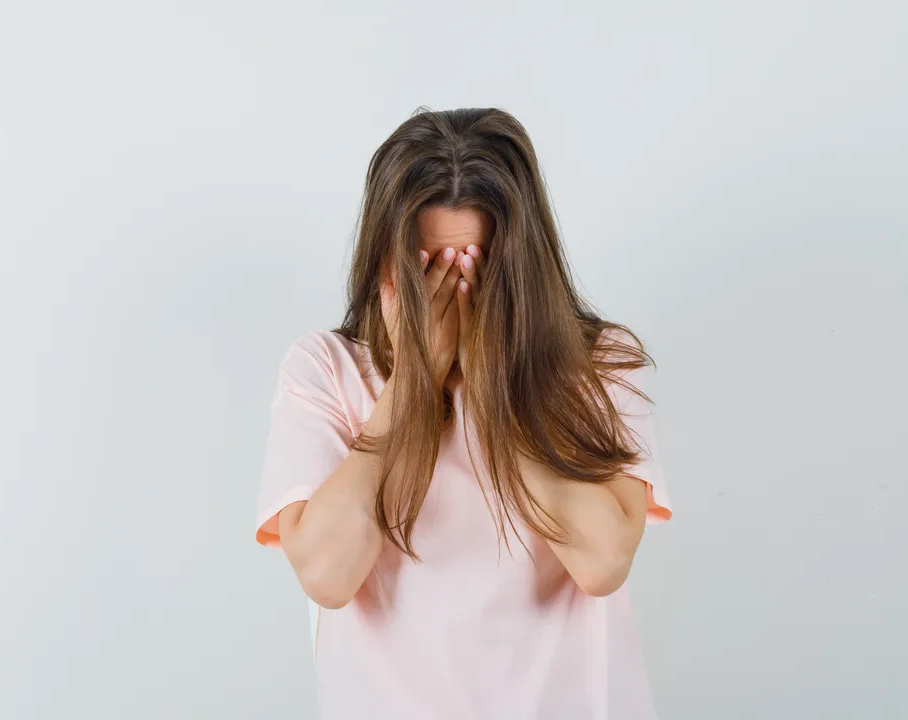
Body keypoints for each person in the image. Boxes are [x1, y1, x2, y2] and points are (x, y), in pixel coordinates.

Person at [254, 107, 672, 719]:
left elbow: (603, 562)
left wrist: (488, 383)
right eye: (428, 271)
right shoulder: (325, 369)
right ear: (384, 263)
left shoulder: (600, 363)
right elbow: (326, 574)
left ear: (519, 265)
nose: (451, 294)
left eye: (474, 269)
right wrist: (413, 385)